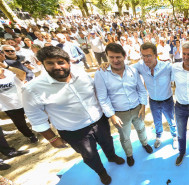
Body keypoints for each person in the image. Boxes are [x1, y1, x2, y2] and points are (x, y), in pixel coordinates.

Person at [22, 46, 125, 185]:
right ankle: (101, 172)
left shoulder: (81, 73)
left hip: (99, 120)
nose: (57, 66)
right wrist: (52, 139)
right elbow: (35, 117)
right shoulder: (32, 88)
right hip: (74, 131)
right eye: (50, 63)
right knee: (90, 155)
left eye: (60, 62)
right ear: (42, 64)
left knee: (107, 142)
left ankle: (112, 157)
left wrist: (106, 66)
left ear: (68, 62)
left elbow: (96, 91)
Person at [94, 43, 153, 167]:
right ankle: (129, 155)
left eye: (118, 57)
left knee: (141, 128)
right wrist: (112, 115)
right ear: (107, 57)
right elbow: (102, 98)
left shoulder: (133, 70)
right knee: (125, 136)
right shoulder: (101, 73)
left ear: (124, 56)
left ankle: (145, 143)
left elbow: (141, 90)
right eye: (111, 57)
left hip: (138, 108)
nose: (115, 60)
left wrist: (143, 106)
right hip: (119, 113)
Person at [0, 55, 38, 143]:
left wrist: (6, 66)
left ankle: (42, 128)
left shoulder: (12, 77)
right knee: (21, 124)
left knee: (35, 116)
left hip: (24, 101)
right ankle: (30, 136)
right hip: (9, 107)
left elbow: (23, 74)